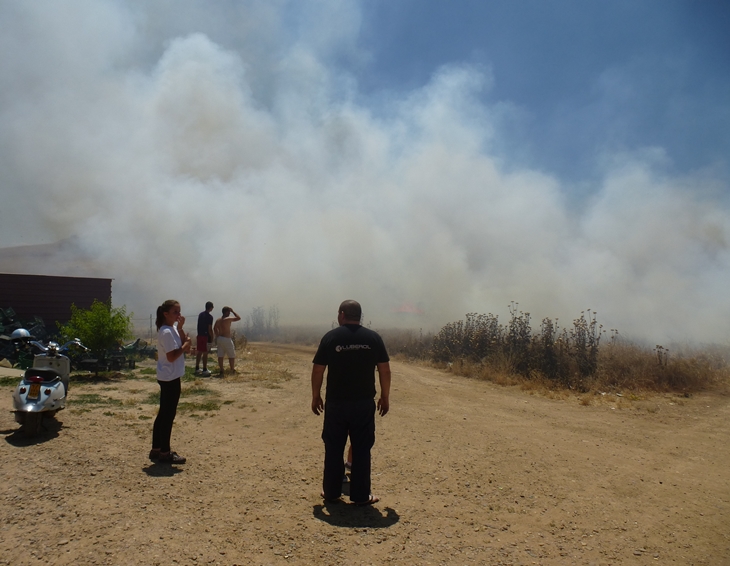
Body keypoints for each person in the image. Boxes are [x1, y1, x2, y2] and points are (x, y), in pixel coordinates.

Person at [311, 300, 391, 505]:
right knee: (362, 448)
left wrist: (315, 395)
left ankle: (331, 492)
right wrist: (385, 396)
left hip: (336, 403)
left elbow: (318, 369)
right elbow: (384, 369)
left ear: (342, 314)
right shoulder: (373, 338)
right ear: (359, 316)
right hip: (363, 403)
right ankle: (361, 495)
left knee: (333, 447)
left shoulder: (331, 337)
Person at [149, 300, 190, 464]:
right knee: (168, 415)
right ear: (165, 314)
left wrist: (180, 329)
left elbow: (182, 339)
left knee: (163, 413)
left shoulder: (172, 329)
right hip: (170, 376)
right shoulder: (166, 332)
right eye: (175, 312)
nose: (178, 315)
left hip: (170, 375)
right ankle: (165, 452)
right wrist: (186, 345)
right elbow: (172, 356)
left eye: (179, 312)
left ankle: (156, 449)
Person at [213, 306, 241, 376]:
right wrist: (233, 311)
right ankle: (232, 369)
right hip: (226, 338)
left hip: (220, 339)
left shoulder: (218, 320)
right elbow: (238, 318)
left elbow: (214, 328)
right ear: (226, 312)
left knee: (220, 355)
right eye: (228, 312)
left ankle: (221, 370)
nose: (229, 313)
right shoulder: (227, 319)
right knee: (231, 355)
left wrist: (217, 335)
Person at [195, 301, 214, 377]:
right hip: (205, 336)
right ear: (210, 308)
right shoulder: (210, 317)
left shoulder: (200, 314)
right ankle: (205, 369)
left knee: (199, 351)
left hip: (199, 335)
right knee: (205, 353)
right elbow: (210, 328)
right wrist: (212, 337)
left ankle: (197, 368)